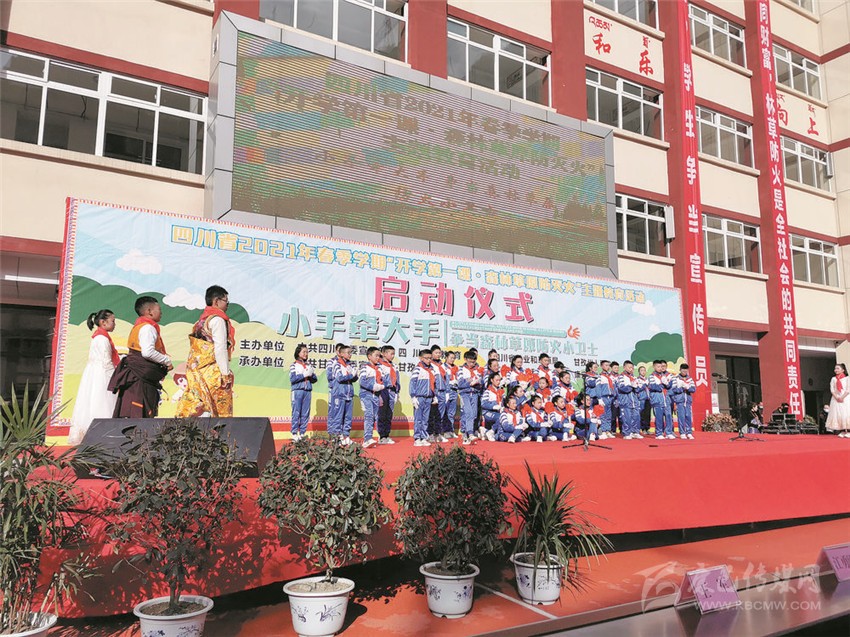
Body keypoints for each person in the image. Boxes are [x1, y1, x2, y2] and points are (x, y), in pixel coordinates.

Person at [175, 286, 235, 418]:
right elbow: (220, 348)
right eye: (226, 301)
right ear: (216, 301)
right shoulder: (218, 320)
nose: (227, 305)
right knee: (217, 412)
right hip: (213, 373)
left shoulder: (201, 321)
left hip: (197, 372)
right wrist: (225, 374)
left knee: (200, 408)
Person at [109, 296, 172, 418]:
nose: (161, 313)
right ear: (149, 311)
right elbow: (147, 352)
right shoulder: (148, 328)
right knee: (139, 408)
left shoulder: (139, 326)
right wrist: (166, 361)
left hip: (136, 371)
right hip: (140, 375)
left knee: (133, 406)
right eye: (159, 309)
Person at [68, 309, 120, 445]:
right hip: (102, 375)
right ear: (103, 322)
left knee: (93, 402)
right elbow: (106, 362)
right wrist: (116, 378)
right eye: (113, 321)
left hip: (94, 374)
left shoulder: (99, 337)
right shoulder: (102, 339)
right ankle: (103, 437)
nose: (114, 324)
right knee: (102, 402)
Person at [328, 344, 357, 445]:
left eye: (350, 353)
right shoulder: (336, 364)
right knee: (338, 417)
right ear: (341, 353)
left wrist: (354, 375)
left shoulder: (350, 364)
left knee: (348, 417)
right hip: (339, 394)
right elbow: (339, 378)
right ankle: (336, 438)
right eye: (348, 353)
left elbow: (354, 378)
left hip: (349, 394)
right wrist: (351, 375)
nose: (350, 355)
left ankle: (346, 436)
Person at [358, 347, 386, 449]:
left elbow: (383, 381)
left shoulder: (379, 368)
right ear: (369, 356)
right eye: (376, 356)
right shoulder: (365, 367)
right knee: (369, 416)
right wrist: (372, 386)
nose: (378, 358)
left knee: (374, 417)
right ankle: (367, 439)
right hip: (366, 395)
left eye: (379, 356)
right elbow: (362, 381)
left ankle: (371, 437)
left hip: (376, 396)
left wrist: (381, 388)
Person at [289, 344, 317, 441]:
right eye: (304, 352)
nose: (306, 354)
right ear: (298, 353)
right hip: (297, 391)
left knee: (305, 413)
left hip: (307, 391)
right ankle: (294, 433)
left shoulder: (309, 365)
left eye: (307, 352)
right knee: (296, 412)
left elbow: (315, 379)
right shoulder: (294, 365)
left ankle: (302, 433)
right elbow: (292, 379)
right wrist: (304, 374)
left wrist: (311, 374)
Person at [409, 349, 436, 447]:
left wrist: (434, 395)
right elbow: (412, 383)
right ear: (421, 358)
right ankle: (417, 438)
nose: (429, 360)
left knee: (425, 419)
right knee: (418, 419)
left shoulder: (432, 370)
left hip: (429, 397)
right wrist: (413, 396)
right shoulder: (418, 369)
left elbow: (434, 384)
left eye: (430, 358)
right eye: (426, 358)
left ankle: (424, 437)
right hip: (419, 397)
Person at [457, 350, 481, 445]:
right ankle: (468, 433)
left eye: (473, 362)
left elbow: (482, 381)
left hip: (474, 394)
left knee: (474, 414)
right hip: (465, 394)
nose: (472, 364)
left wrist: (478, 382)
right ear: (465, 359)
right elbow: (460, 383)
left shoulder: (477, 369)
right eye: (470, 362)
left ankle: (468, 433)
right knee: (468, 413)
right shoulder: (461, 369)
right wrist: (469, 382)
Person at [377, 345, 400, 445]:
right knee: (382, 414)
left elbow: (397, 380)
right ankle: (382, 436)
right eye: (391, 353)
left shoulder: (394, 366)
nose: (393, 356)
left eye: (394, 354)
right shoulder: (379, 365)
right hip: (383, 391)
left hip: (392, 392)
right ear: (383, 354)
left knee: (389, 414)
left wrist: (397, 392)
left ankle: (387, 435)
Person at [616, 360, 642, 439]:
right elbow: (622, 388)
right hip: (625, 400)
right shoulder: (621, 377)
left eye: (632, 368)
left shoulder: (634, 377)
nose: (631, 369)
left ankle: (635, 432)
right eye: (629, 367)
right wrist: (631, 386)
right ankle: (627, 433)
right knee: (627, 418)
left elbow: (638, 389)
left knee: (636, 417)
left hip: (634, 401)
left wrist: (637, 387)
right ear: (624, 367)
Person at [428, 345, 449, 443]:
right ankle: (430, 433)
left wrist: (447, 392)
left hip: (443, 392)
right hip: (435, 392)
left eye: (439, 353)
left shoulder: (443, 365)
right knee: (432, 414)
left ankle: (438, 433)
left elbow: (446, 379)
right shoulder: (430, 365)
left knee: (441, 414)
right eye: (436, 353)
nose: (438, 354)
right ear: (431, 353)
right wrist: (433, 394)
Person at [649, 360, 674, 440]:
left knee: (668, 415)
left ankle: (669, 432)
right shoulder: (652, 376)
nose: (660, 368)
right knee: (659, 417)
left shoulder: (665, 375)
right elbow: (653, 387)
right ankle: (659, 433)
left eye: (661, 366)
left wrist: (666, 383)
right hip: (657, 399)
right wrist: (662, 384)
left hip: (666, 398)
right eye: (658, 367)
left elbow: (669, 386)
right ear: (654, 367)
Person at [671, 363, 697, 439]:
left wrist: (688, 388)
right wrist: (682, 388)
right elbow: (674, 389)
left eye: (686, 370)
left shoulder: (690, 379)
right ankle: (682, 433)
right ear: (680, 370)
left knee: (688, 416)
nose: (685, 372)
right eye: (683, 370)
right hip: (680, 400)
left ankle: (689, 432)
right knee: (681, 417)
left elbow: (693, 389)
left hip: (687, 400)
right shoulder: (676, 378)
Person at [826, 363, 850, 437]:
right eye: (835, 368)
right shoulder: (833, 379)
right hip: (836, 398)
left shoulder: (847, 378)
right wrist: (837, 397)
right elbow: (832, 389)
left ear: (843, 370)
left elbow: (848, 389)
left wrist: (842, 397)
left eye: (838, 368)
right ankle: (842, 430)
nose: (836, 370)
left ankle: (848, 430)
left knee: (846, 414)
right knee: (838, 414)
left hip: (845, 398)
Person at [595, 360, 616, 439]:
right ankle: (603, 430)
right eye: (606, 365)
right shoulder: (599, 376)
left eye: (608, 365)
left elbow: (614, 387)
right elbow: (598, 388)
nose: (608, 367)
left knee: (609, 415)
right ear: (601, 366)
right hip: (603, 397)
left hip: (610, 397)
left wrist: (614, 397)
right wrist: (599, 398)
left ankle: (608, 430)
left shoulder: (611, 377)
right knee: (603, 415)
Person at [481, 372, 505, 441]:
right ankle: (491, 432)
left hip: (497, 412)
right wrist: (493, 406)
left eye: (499, 380)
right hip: (487, 412)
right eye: (496, 380)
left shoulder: (501, 391)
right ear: (491, 380)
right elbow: (483, 404)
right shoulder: (488, 391)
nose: (498, 382)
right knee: (500, 417)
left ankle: (485, 431)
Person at [443, 351, 460, 439]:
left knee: (452, 413)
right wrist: (448, 384)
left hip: (454, 391)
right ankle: (445, 431)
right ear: (446, 357)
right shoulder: (443, 367)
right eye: (451, 358)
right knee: (445, 412)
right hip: (446, 391)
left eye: (454, 358)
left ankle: (451, 430)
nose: (452, 360)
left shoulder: (456, 368)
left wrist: (457, 382)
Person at [637, 365, 652, 434]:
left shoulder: (647, 379)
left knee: (648, 414)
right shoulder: (637, 379)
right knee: (642, 414)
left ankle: (647, 428)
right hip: (641, 398)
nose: (643, 372)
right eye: (641, 370)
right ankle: (642, 428)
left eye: (644, 370)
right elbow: (637, 389)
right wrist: (643, 385)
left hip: (648, 398)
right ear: (639, 372)